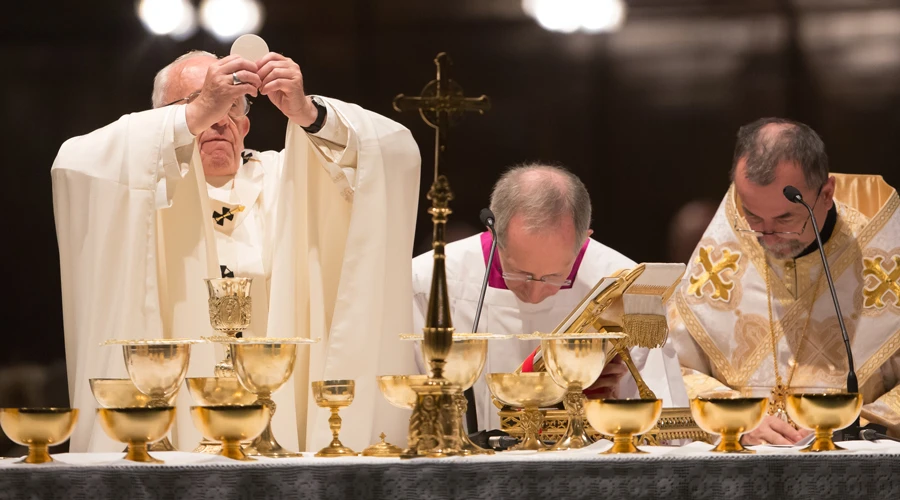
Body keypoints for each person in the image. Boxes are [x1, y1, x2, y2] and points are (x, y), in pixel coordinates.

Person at [51, 50, 421, 453]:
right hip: (175, 418)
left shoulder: (288, 181)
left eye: (231, 106)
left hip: (282, 415)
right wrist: (194, 114)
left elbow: (390, 153)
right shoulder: (141, 189)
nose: (217, 118)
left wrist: (308, 113)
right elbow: (72, 165)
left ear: (244, 124)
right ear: (160, 123)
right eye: (200, 101)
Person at [670, 117, 900, 444]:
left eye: (785, 218)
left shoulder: (883, 256)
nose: (767, 235)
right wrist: (736, 419)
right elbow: (668, 372)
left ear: (826, 193)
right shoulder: (723, 251)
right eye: (751, 215)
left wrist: (858, 424)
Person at [411, 164, 689, 432]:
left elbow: (659, 414)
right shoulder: (431, 282)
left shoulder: (628, 289)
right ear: (494, 232)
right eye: (520, 273)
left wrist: (611, 399)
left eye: (554, 276)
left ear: (584, 240)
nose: (534, 294)